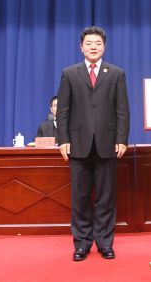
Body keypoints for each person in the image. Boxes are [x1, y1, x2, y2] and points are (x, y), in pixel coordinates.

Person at [56, 26, 130, 262]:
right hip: (78, 144)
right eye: (89, 43)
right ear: (81, 47)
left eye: (98, 43)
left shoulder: (116, 73)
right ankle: (82, 243)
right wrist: (63, 140)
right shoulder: (69, 73)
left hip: (108, 144)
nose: (93, 47)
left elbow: (122, 110)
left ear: (104, 47)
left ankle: (105, 243)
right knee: (80, 198)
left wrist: (122, 139)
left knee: (106, 198)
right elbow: (63, 111)